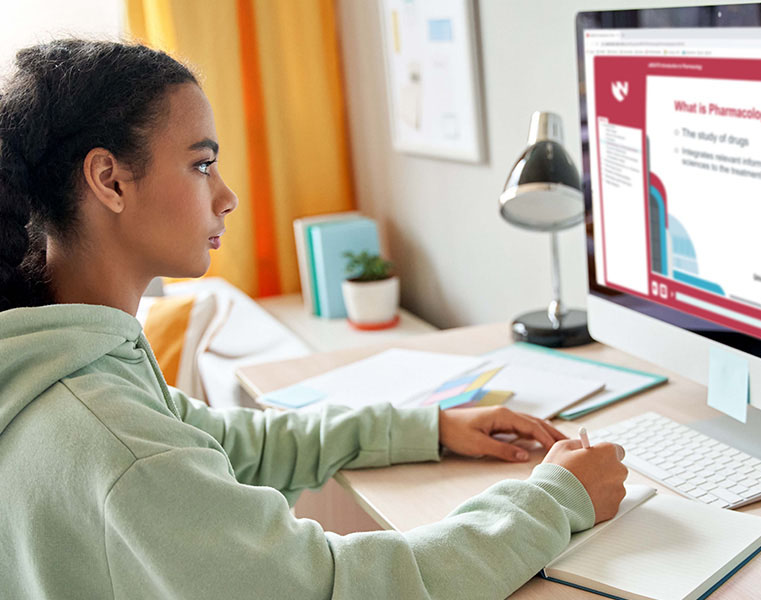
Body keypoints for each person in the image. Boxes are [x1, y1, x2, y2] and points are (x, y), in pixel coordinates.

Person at [0, 40, 627, 599]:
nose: (227, 195)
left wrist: (427, 428)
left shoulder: (62, 360)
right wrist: (554, 498)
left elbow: (229, 443)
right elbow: (342, 587)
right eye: (201, 164)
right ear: (109, 179)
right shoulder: (118, 438)